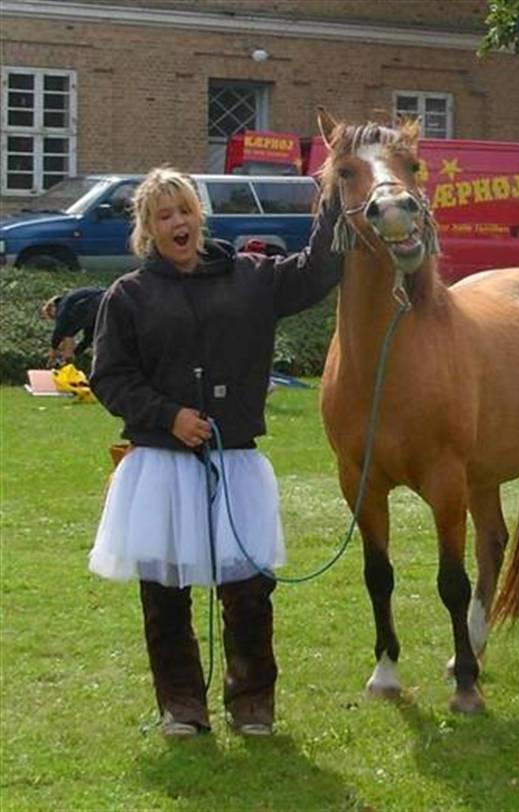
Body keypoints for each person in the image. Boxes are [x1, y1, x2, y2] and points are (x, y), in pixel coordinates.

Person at [88, 166, 342, 738]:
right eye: (163, 215)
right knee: (165, 595)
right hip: (160, 463)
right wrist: (167, 416)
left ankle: (252, 701)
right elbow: (110, 376)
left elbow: (318, 271)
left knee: (248, 590)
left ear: (199, 215)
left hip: (236, 461)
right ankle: (181, 706)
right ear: (148, 230)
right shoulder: (127, 296)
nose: (177, 222)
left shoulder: (252, 276)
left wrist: (333, 200)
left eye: (184, 210)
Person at [41, 287, 105, 366]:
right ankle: (68, 359)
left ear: (53, 307)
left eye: (52, 316)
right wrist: (77, 352)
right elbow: (89, 337)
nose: (56, 319)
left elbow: (59, 329)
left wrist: (53, 349)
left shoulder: (64, 304)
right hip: (108, 302)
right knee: (69, 331)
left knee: (67, 332)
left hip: (99, 302)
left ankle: (67, 360)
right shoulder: (73, 307)